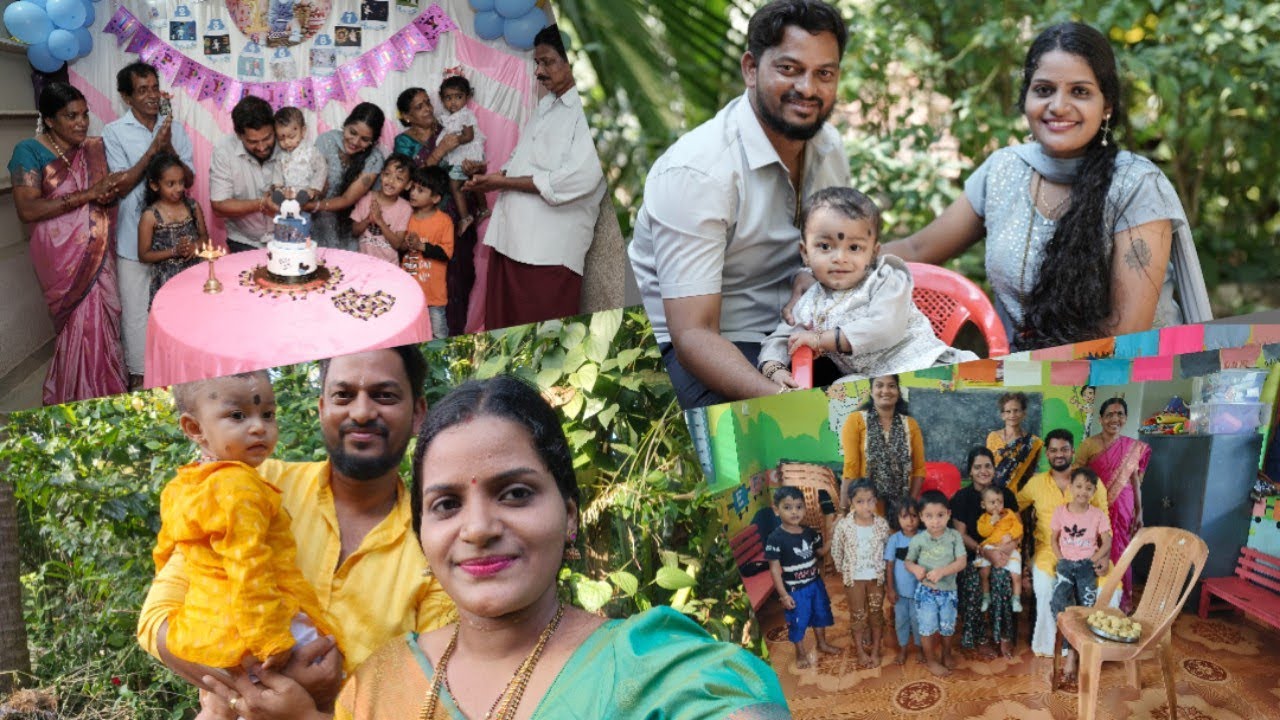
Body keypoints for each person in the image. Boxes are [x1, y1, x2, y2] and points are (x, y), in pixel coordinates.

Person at [203, 376, 792, 718]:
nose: (477, 528)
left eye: (514, 493)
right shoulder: (376, 686)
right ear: (420, 534)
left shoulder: (655, 669)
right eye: (446, 504)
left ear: (566, 514)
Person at [137, 347, 454, 716]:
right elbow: (155, 622)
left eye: (384, 395)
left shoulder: (437, 543)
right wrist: (255, 685)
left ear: (418, 413)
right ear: (321, 409)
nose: (363, 412)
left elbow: (429, 701)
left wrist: (312, 712)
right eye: (343, 395)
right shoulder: (252, 484)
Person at [884, 22, 1212, 350]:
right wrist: (842, 258)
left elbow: (1124, 332)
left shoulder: (1137, 185)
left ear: (1107, 105)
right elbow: (917, 250)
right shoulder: (1003, 170)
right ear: (1026, 98)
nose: (1058, 106)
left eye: (1080, 91)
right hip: (1028, 380)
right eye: (1044, 90)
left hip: (1128, 378)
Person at [628, 0, 850, 409]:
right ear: (751, 68)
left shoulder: (827, 147)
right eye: (789, 69)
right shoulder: (698, 172)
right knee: (796, 439)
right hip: (687, 348)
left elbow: (838, 245)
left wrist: (811, 273)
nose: (808, 88)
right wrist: (787, 402)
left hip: (791, 335)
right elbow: (694, 336)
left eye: (824, 74)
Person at [155, 371, 342, 675]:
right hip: (260, 630)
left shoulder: (182, 485)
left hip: (209, 629)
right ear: (194, 428)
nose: (259, 428)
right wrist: (271, 640)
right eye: (238, 415)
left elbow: (164, 553)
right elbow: (250, 565)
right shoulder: (238, 488)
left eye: (268, 414)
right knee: (336, 674)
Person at [464, 24, 607, 331]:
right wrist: (488, 178)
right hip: (509, 242)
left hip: (547, 253)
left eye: (548, 62)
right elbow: (517, 163)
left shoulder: (587, 114)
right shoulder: (546, 106)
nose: (539, 72)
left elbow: (573, 181)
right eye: (537, 63)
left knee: (542, 337)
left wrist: (501, 182)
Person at [758, 187, 975, 389]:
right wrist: (773, 367)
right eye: (825, 246)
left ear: (873, 252)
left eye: (854, 247)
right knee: (841, 391)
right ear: (805, 253)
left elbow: (885, 327)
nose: (840, 258)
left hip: (923, 366)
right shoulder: (809, 303)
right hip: (875, 382)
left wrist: (820, 340)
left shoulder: (886, 279)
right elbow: (783, 337)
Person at [10, 82, 134, 405]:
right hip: (59, 256)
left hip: (96, 247)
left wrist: (105, 194)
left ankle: (107, 389)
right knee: (79, 324)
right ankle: (77, 396)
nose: (81, 122)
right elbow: (28, 209)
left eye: (84, 114)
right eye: (71, 116)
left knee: (101, 321)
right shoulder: (29, 151)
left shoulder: (93, 148)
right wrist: (89, 195)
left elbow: (105, 195)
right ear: (50, 120)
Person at [103, 61, 194, 389]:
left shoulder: (176, 129)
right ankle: (141, 382)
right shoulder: (113, 132)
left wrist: (168, 146)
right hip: (132, 241)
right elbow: (121, 186)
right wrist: (154, 150)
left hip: (178, 240)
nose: (152, 96)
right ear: (126, 97)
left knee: (180, 310)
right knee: (137, 316)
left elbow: (190, 180)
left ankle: (180, 376)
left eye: (155, 87)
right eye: (142, 90)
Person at [1014, 428, 1110, 657]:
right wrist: (1018, 540)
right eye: (1054, 450)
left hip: (1090, 552)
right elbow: (1015, 507)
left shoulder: (1090, 483)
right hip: (1049, 550)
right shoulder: (1036, 483)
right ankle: (1051, 646)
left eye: (1064, 449)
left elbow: (1105, 521)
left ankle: (1095, 648)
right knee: (1047, 586)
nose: (1059, 454)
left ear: (1073, 451)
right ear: (1047, 454)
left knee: (1108, 588)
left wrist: (1104, 557)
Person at [393, 87, 475, 336]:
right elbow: (407, 183)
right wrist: (440, 151)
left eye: (428, 103)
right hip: (422, 221)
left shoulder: (447, 129)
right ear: (407, 116)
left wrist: (470, 164)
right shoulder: (403, 143)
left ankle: (454, 333)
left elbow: (466, 155)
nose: (428, 109)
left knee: (458, 278)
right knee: (424, 278)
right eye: (419, 106)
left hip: (457, 212)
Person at [1075, 396, 1149, 612]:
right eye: (1109, 414)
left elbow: (1135, 480)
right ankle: (1094, 598)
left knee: (1121, 549)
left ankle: (1121, 600)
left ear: (1125, 418)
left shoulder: (1131, 447)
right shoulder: (1089, 445)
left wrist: (1139, 511)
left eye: (1120, 414)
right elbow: (1078, 476)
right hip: (1095, 505)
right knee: (1094, 546)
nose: (1114, 419)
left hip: (1123, 505)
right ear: (1101, 418)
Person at [948, 446, 1019, 658]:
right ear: (970, 471)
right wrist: (985, 552)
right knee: (973, 580)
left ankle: (1003, 636)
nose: (983, 471)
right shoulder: (961, 497)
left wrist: (1002, 551)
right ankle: (979, 637)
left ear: (994, 469)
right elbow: (960, 535)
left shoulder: (1005, 494)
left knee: (1002, 579)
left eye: (988, 466)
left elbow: (1018, 530)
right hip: (973, 554)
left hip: (1004, 551)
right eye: (977, 467)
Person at [1050, 467, 1112, 686]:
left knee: (1087, 607)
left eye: (1089, 488)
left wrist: (1095, 559)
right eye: (1079, 486)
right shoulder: (1060, 511)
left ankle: (1075, 655)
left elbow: (1107, 541)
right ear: (1070, 487)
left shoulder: (1097, 515)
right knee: (1059, 604)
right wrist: (1060, 559)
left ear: (1094, 491)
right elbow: (1053, 539)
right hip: (1066, 565)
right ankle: (1069, 648)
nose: (1083, 492)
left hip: (1086, 566)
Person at [766, 486, 838, 669]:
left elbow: (820, 552)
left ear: (805, 508)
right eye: (788, 507)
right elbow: (774, 569)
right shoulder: (775, 538)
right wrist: (783, 595)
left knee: (820, 614)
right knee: (798, 621)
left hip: (815, 585)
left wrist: (832, 537)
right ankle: (800, 653)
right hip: (795, 590)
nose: (794, 512)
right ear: (776, 509)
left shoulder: (809, 532)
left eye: (799, 507)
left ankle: (821, 643)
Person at [840, 375, 925, 514]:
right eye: (879, 385)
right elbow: (851, 468)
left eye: (891, 386)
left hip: (900, 511)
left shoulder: (910, 424)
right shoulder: (856, 420)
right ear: (872, 392)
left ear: (898, 392)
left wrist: (909, 506)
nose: (885, 390)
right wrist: (843, 509)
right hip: (865, 508)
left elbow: (919, 469)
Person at [904, 490, 966, 677]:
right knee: (927, 627)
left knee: (948, 626)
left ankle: (946, 654)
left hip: (949, 592)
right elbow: (908, 561)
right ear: (921, 517)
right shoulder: (918, 539)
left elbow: (961, 562)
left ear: (948, 514)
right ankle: (931, 660)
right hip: (926, 593)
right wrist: (915, 569)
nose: (935, 521)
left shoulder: (954, 536)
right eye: (929, 516)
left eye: (940, 515)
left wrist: (942, 571)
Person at [308, 103, 385, 250]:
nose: (355, 142)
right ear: (346, 124)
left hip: (349, 227)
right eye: (353, 132)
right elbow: (313, 182)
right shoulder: (326, 140)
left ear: (373, 141)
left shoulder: (374, 159)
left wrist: (313, 206)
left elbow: (347, 200)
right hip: (317, 222)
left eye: (364, 139)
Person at [830, 480, 889, 669]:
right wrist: (845, 571)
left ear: (876, 501)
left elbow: (887, 550)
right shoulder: (844, 526)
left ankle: (875, 648)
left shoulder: (881, 524)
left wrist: (885, 574)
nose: (866, 506)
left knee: (876, 613)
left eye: (870, 501)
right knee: (857, 614)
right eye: (860, 501)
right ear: (851, 502)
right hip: (854, 578)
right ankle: (861, 651)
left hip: (876, 578)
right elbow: (837, 550)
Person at [210, 96, 280, 253]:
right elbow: (219, 206)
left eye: (267, 138)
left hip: (288, 238)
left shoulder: (287, 142)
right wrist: (262, 204)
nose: (262, 147)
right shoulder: (224, 152)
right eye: (253, 142)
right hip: (244, 241)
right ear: (239, 135)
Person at [137, 153, 204, 302]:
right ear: (154, 185)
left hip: (195, 274)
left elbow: (205, 238)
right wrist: (175, 251)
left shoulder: (192, 207)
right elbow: (144, 255)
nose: (179, 188)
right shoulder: (150, 216)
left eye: (181, 182)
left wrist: (195, 246)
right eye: (171, 184)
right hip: (167, 281)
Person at [402, 166, 454, 340]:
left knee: (438, 335)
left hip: (434, 296)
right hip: (410, 291)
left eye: (420, 190)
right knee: (411, 333)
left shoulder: (444, 221)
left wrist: (421, 246)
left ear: (435, 198)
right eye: (413, 188)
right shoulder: (407, 215)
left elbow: (446, 253)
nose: (413, 193)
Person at [437, 73, 487, 234]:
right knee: (475, 182)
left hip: (467, 156)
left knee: (455, 185)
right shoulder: (453, 117)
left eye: (458, 97)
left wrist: (452, 141)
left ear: (467, 97)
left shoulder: (465, 115)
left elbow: (468, 136)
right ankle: (483, 209)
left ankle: (466, 217)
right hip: (468, 156)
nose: (453, 102)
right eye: (448, 98)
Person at [350, 153, 413, 264]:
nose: (391, 181)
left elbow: (398, 244)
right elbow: (354, 232)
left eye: (399, 178)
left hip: (388, 266)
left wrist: (380, 221)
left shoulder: (405, 208)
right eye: (387, 174)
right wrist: (368, 219)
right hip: (362, 262)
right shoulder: (366, 197)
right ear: (382, 175)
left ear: (408, 185)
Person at [883, 499, 924, 666]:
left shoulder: (924, 537)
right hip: (900, 592)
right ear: (898, 519)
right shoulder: (895, 540)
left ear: (920, 517)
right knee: (901, 621)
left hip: (921, 592)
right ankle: (903, 649)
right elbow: (890, 565)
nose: (910, 520)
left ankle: (921, 648)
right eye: (905, 516)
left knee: (918, 621)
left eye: (914, 516)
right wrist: (890, 589)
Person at [973, 486, 1024, 614]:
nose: (996, 505)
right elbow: (983, 533)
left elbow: (1019, 527)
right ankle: (986, 596)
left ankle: (1016, 599)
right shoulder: (984, 519)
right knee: (984, 573)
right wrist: (991, 522)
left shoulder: (1009, 514)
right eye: (992, 502)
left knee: (1016, 575)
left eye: (999, 502)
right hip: (990, 546)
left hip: (1009, 546)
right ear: (983, 505)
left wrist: (1011, 535)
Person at [269, 106, 327, 219]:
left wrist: (314, 189)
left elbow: (321, 168)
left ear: (303, 131)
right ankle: (282, 201)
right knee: (281, 200)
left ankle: (302, 200)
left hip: (306, 190)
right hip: (288, 192)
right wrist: (278, 186)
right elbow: (277, 172)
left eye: (291, 137)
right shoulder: (281, 155)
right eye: (281, 139)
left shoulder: (310, 151)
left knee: (304, 199)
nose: (286, 142)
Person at [986, 391, 1044, 492]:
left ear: (1024, 414)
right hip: (993, 493)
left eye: (1016, 410)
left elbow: (1029, 472)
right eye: (1008, 411)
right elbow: (987, 466)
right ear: (1002, 415)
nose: (1012, 415)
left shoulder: (1034, 442)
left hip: (1018, 495)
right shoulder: (993, 437)